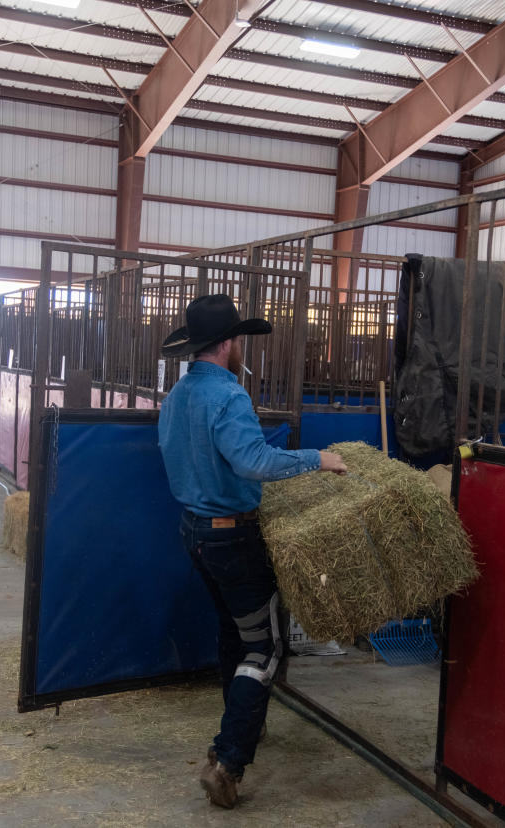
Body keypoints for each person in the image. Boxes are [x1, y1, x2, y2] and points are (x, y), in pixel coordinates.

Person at [157, 294, 347, 809]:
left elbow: (176, 456)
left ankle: (243, 720)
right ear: (227, 344)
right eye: (239, 339)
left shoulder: (177, 396)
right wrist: (319, 459)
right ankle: (228, 758)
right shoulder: (227, 395)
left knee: (232, 634)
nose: (241, 347)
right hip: (231, 535)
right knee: (264, 647)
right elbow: (252, 461)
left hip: (194, 530)